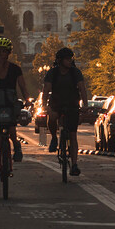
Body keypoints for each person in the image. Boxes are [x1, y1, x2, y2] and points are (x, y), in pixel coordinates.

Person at [0, 37, 30, 188]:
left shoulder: (15, 69)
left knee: (11, 129)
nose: (2, 54)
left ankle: (16, 145)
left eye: (4, 52)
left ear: (9, 53)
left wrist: (28, 99)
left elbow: (22, 87)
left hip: (9, 104)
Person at [44, 47, 89, 176]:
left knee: (73, 135)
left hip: (72, 104)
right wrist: (44, 105)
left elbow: (82, 89)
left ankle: (74, 165)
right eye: (67, 59)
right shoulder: (52, 73)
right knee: (51, 117)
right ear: (60, 60)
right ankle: (53, 138)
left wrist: (85, 105)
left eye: (71, 59)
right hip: (56, 102)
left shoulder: (75, 72)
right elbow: (46, 89)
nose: (70, 61)